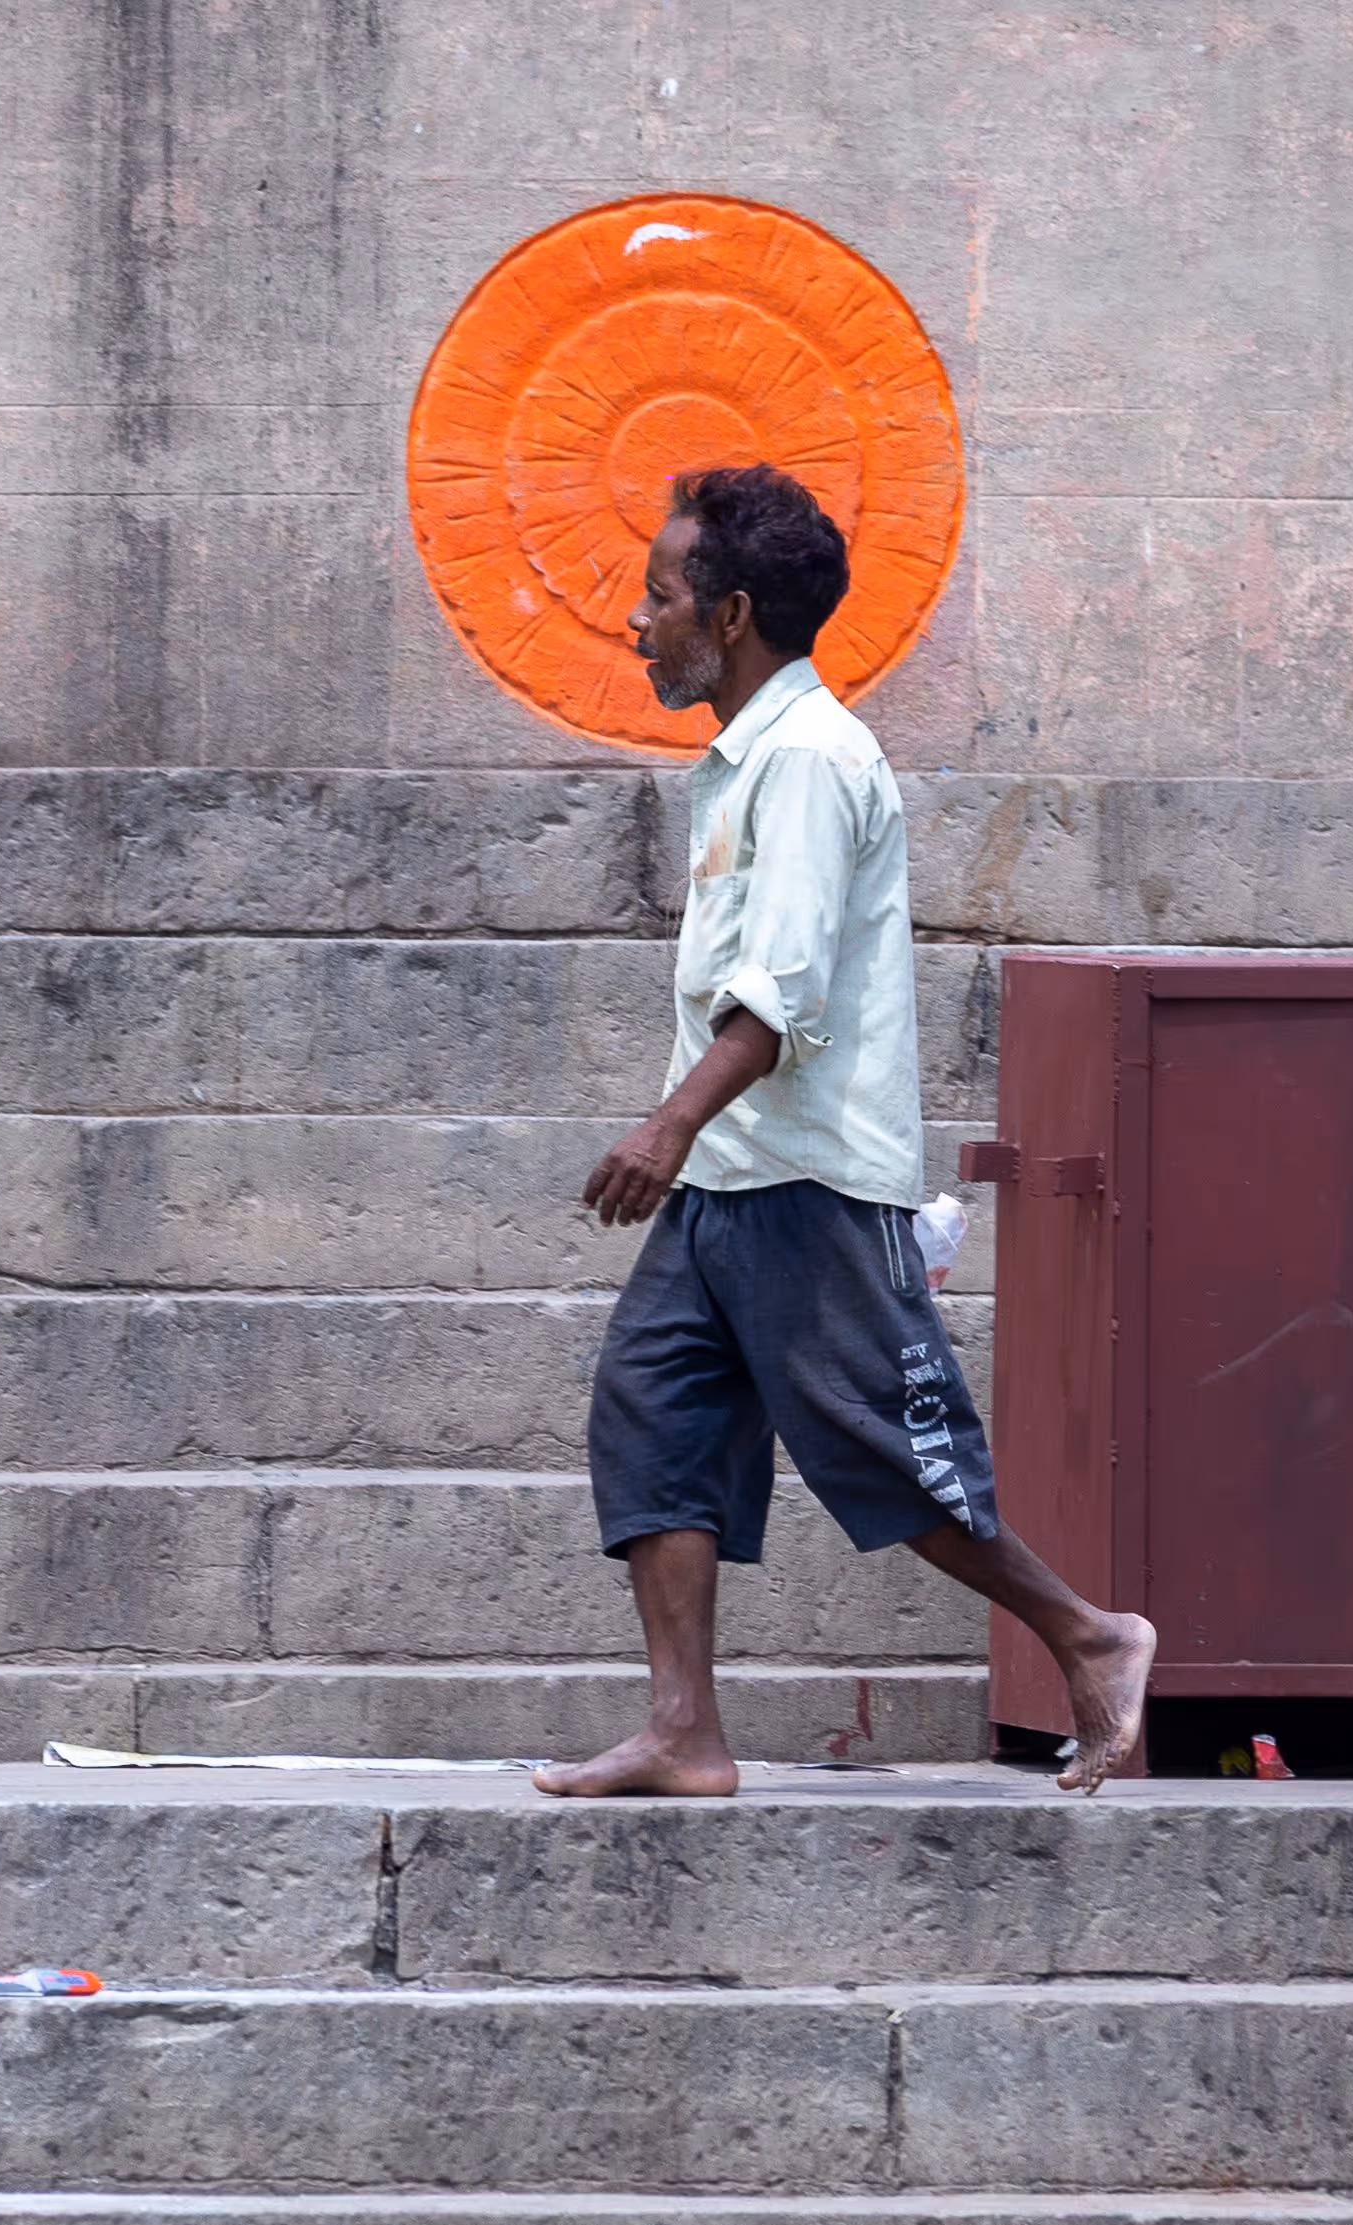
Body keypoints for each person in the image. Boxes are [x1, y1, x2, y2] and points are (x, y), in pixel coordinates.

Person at [533, 466, 1156, 1800]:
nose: (632, 621)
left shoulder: (811, 762)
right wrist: (690, 1147)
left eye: (655, 597)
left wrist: (663, 1128)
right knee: (654, 1426)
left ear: (732, 611)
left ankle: (1090, 1638)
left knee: (882, 1454)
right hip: (730, 1182)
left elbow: (783, 993)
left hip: (806, 1179)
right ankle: (683, 1731)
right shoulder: (752, 760)